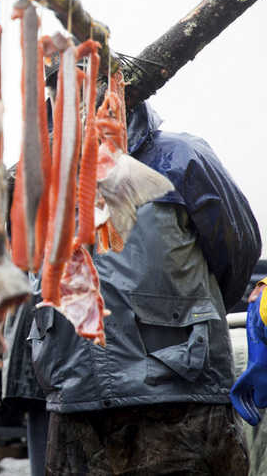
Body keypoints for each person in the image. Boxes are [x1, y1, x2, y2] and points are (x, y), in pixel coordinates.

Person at [28, 101, 260, 475]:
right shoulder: (43, 176)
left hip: (177, 392)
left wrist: (191, 317)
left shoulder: (181, 158)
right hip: (76, 398)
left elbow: (238, 251)